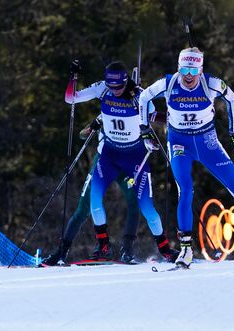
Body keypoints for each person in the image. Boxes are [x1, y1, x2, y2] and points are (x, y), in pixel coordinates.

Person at [138, 47, 234, 267]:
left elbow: (232, 99)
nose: (189, 76)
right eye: (185, 69)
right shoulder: (169, 83)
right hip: (179, 143)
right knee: (185, 189)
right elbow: (144, 97)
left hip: (208, 143)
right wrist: (144, 129)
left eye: (193, 70)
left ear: (201, 70)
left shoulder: (210, 83)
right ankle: (186, 250)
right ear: (178, 68)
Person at [62, 60, 178, 262]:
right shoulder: (102, 88)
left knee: (146, 207)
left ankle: (166, 250)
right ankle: (103, 245)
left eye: (119, 87)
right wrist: (73, 78)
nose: (115, 91)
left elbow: (154, 117)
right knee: (94, 201)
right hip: (109, 154)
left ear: (126, 82)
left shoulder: (140, 96)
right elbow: (71, 98)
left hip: (135, 156)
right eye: (111, 86)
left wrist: (174, 116)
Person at [43, 116, 141, 265]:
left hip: (126, 164)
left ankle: (127, 251)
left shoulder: (136, 108)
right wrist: (92, 128)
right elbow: (82, 134)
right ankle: (62, 252)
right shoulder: (107, 108)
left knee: (136, 202)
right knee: (83, 208)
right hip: (102, 162)